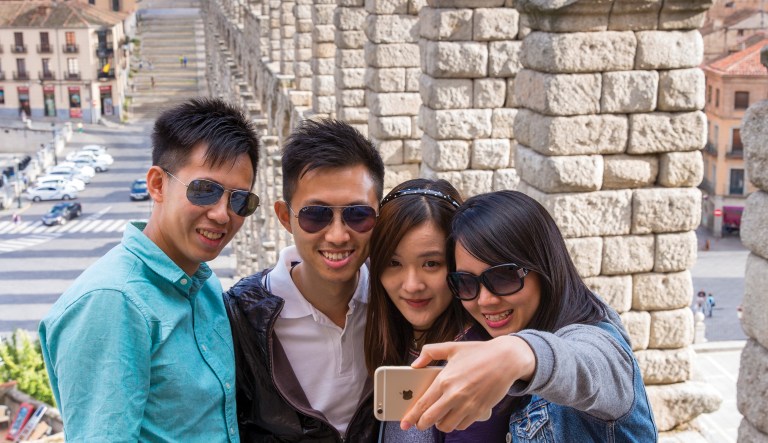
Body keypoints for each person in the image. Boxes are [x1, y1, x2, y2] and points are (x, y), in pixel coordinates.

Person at [39, 98, 261, 441]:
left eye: (239, 200)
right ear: (157, 184)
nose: (222, 214)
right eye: (205, 191)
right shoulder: (112, 302)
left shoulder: (204, 284)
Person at [402, 190, 658, 441]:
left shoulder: (598, 340)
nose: (485, 300)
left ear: (543, 268)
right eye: (466, 283)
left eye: (503, 277)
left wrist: (518, 352)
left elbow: (590, 366)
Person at [224, 119, 385, 441]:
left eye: (357, 215)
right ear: (286, 217)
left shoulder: (398, 299)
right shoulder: (238, 319)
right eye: (316, 215)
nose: (338, 235)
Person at [365, 179, 513, 442]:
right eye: (393, 262)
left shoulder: (474, 364)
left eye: (431, 263)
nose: (412, 285)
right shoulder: (390, 333)